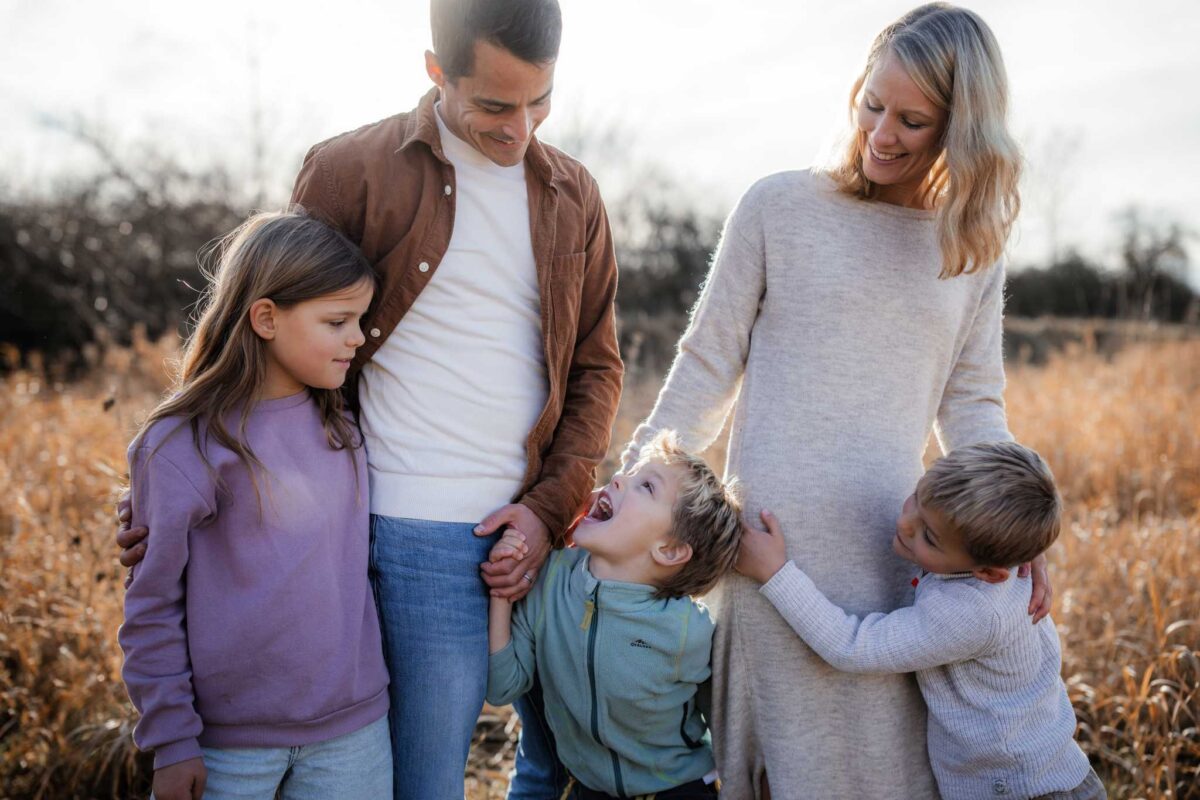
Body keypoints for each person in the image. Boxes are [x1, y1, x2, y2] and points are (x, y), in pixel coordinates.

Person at [119, 1, 622, 797]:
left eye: (541, 101)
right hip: (404, 523)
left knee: (557, 763)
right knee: (421, 784)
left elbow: (598, 367)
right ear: (436, 70)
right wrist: (181, 485)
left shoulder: (573, 195)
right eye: (494, 104)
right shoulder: (352, 170)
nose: (520, 128)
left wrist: (548, 505)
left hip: (535, 531)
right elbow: (277, 330)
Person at [618, 4, 1052, 797]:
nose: (881, 133)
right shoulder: (778, 206)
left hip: (900, 559)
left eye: (913, 120)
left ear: (962, 129)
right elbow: (705, 366)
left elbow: (974, 406)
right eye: (871, 105)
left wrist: (1012, 536)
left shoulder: (972, 249)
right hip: (767, 547)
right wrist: (629, 487)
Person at [118, 210, 391, 800]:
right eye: (338, 321)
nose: (359, 337)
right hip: (226, 745)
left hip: (354, 732)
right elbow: (151, 607)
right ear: (265, 318)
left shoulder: (345, 421)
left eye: (361, 320)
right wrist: (172, 741)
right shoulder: (179, 444)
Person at [738, 441, 1106, 800]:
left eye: (929, 536)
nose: (904, 522)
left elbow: (854, 647)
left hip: (1022, 790)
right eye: (916, 496)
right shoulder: (984, 562)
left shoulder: (972, 612)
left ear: (988, 573)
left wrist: (775, 573)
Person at [486, 431, 742, 799]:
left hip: (678, 791)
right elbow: (503, 687)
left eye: (647, 487)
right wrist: (503, 590)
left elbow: (726, 727)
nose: (619, 477)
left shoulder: (690, 630)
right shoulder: (551, 581)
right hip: (589, 792)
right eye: (631, 473)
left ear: (668, 550)